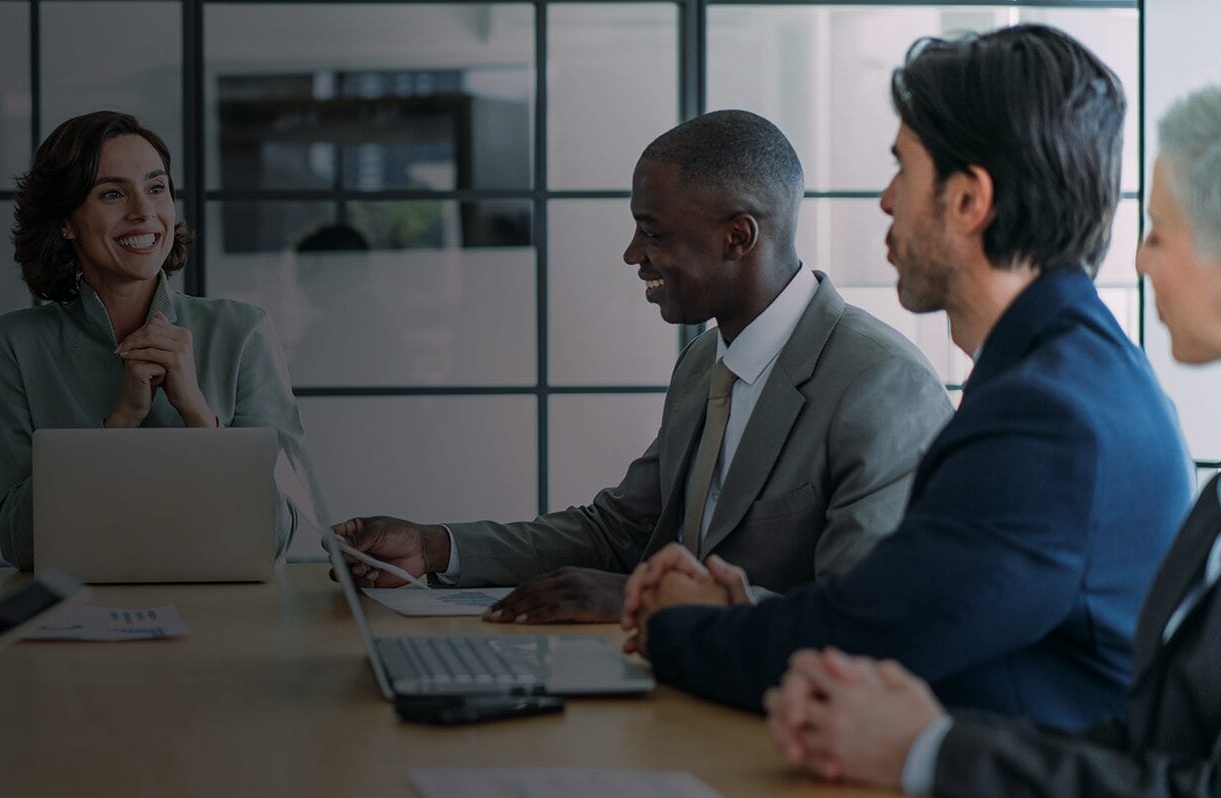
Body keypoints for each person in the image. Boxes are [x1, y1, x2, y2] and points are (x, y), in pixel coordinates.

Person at [625, 25, 1190, 732]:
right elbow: (910, 609)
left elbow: (873, 640)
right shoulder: (1076, 371)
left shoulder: (1048, 416)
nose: (887, 201)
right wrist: (742, 612)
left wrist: (674, 624)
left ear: (967, 201)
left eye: (903, 169)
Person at [760, 83, 1221, 798]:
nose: (1138, 261)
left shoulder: (1053, 410)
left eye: (1159, 231)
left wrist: (929, 752)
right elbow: (1144, 743)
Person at [332, 110, 951, 623]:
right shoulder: (705, 362)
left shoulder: (881, 386)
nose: (633, 255)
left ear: (738, 238)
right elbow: (619, 533)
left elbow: (863, 617)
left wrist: (653, 605)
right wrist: (435, 545)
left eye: (651, 233)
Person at [0, 111, 306, 570]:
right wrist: (119, 424)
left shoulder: (243, 332)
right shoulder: (18, 343)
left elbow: (278, 536)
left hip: (231, 620)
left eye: (156, 188)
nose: (143, 211)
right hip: (75, 618)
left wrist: (198, 413)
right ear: (66, 222)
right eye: (113, 193)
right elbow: (19, 546)